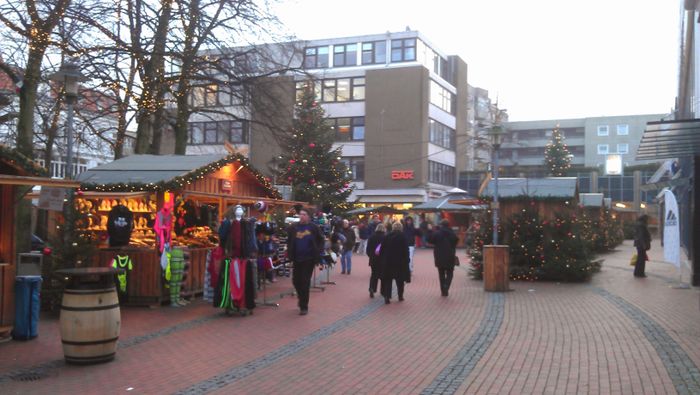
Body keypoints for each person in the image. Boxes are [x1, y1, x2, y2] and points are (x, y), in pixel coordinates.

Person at [286, 207, 324, 315]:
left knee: (305, 281)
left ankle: (304, 306)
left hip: (309, 259)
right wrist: (289, 252)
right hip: (297, 258)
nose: (301, 216)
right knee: (296, 280)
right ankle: (301, 296)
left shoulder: (313, 227)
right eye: (300, 214)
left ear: (308, 216)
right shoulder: (294, 227)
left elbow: (321, 239)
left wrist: (318, 250)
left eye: (303, 214)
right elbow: (289, 240)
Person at [380, 221, 410, 304]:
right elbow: (406, 250)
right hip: (400, 262)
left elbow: (382, 249)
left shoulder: (387, 236)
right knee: (400, 280)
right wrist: (407, 259)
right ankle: (400, 296)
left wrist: (383, 259)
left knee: (388, 280)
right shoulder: (403, 237)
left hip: (388, 261)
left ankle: (387, 296)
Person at [428, 219, 459, 297]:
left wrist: (430, 231)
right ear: (448, 225)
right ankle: (446, 286)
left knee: (441, 273)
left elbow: (430, 241)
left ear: (441, 225)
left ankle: (443, 291)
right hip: (450, 255)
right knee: (450, 272)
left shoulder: (437, 233)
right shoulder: (452, 233)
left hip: (439, 256)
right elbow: (456, 242)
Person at [365, 223, 386, 298]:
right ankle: (383, 291)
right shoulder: (385, 237)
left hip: (373, 260)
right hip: (383, 260)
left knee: (374, 275)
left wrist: (371, 256)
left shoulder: (372, 237)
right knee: (383, 276)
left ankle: (372, 288)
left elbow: (368, 249)